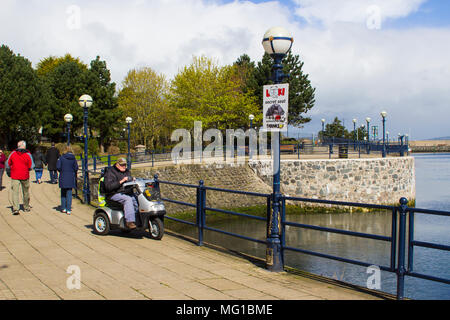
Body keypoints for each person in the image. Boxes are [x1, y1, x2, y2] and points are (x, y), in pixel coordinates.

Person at [103, 157, 137, 229]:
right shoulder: (110, 172)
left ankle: (138, 218)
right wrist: (121, 181)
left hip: (126, 192)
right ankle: (129, 222)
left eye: (125, 165)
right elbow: (108, 187)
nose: (124, 166)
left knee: (138, 198)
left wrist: (133, 180)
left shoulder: (127, 171)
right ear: (117, 164)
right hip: (113, 194)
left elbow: (129, 183)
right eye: (122, 165)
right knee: (127, 199)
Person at [6, 140, 34, 215]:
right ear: (24, 146)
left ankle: (15, 209)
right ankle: (26, 207)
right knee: (25, 192)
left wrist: (9, 172)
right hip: (25, 175)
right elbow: (31, 166)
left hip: (15, 175)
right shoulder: (28, 154)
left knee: (15, 192)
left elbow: (8, 163)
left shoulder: (13, 153)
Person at [56, 146, 78, 215]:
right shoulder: (73, 158)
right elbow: (76, 167)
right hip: (71, 177)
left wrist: (62, 171)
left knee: (63, 193)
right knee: (69, 194)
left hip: (63, 176)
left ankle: (63, 208)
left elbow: (58, 167)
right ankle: (68, 209)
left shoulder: (61, 158)